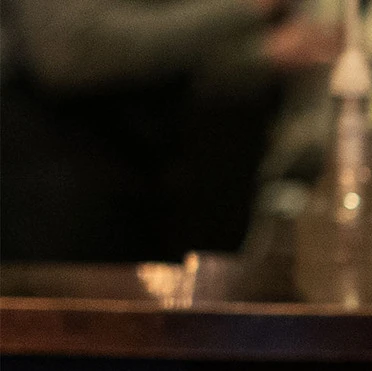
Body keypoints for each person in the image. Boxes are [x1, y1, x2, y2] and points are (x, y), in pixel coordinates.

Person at [0, 0, 338, 260]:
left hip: (165, 183)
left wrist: (263, 53)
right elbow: (67, 47)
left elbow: (175, 58)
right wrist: (246, 8)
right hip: (58, 188)